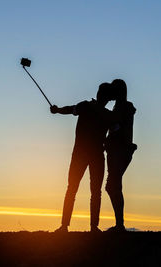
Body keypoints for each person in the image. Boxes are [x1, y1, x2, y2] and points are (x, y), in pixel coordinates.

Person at [50, 83, 114, 233]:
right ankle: (91, 227)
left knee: (73, 189)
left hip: (82, 154)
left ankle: (66, 226)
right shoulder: (105, 114)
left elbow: (69, 110)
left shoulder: (86, 106)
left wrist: (58, 110)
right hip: (94, 155)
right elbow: (115, 132)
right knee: (93, 191)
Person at [105, 79, 137, 232]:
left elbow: (116, 128)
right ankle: (119, 224)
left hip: (119, 151)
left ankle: (120, 225)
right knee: (113, 186)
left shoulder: (123, 108)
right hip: (119, 151)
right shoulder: (122, 107)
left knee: (113, 186)